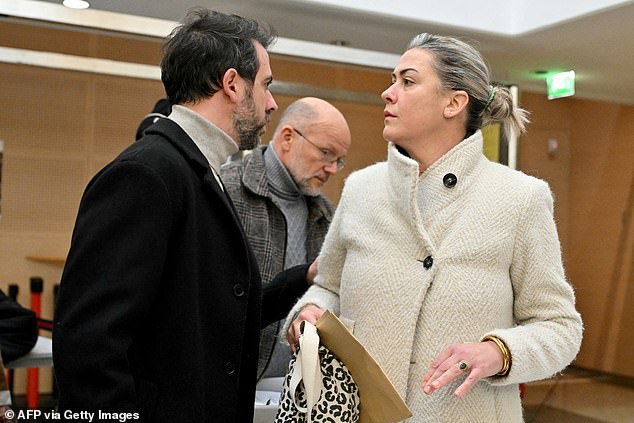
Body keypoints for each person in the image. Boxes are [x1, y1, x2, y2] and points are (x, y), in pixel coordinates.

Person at [284, 33, 583, 422]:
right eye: (393, 81)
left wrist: (499, 352)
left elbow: (559, 327)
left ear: (454, 102)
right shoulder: (362, 189)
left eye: (407, 81)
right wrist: (310, 311)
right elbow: (329, 286)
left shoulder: (520, 198)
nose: (387, 94)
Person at [52, 8, 304, 422]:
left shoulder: (197, 171)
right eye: (266, 85)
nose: (272, 104)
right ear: (232, 84)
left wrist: (304, 278)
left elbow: (210, 308)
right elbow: (90, 344)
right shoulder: (147, 174)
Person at [221, 97, 351, 380]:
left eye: (338, 160)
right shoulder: (226, 190)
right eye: (326, 153)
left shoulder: (329, 216)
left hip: (295, 393)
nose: (332, 168)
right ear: (288, 137)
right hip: (229, 385)